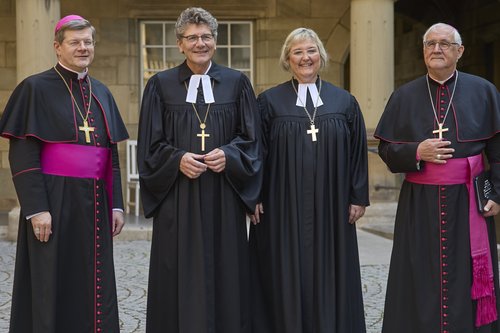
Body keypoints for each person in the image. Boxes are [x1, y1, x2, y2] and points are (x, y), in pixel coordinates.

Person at [0, 15, 129, 332]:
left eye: (88, 42)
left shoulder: (101, 91)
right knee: (52, 278)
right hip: (54, 202)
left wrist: (116, 204)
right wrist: (36, 208)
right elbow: (23, 154)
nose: (83, 48)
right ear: (58, 47)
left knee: (93, 278)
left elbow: (109, 154)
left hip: (96, 204)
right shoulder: (34, 88)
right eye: (75, 42)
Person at [137, 7, 261, 333]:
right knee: (177, 268)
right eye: (192, 37)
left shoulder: (236, 83)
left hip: (223, 196)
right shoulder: (160, 86)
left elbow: (252, 140)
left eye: (206, 36)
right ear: (179, 44)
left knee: (226, 268)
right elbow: (150, 145)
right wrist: (176, 159)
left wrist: (230, 155)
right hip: (179, 196)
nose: (200, 43)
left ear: (215, 41)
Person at [375, 22, 500, 332]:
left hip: (468, 201)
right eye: (430, 44)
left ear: (459, 51)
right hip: (419, 205)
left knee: (468, 273)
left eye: (444, 43)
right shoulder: (404, 96)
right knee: (419, 273)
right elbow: (387, 150)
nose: (437, 49)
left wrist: (496, 191)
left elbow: (497, 149)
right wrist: (417, 151)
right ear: (423, 51)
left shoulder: (483, 91)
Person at [250, 27, 370, 333]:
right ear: (287, 59)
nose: (306, 58)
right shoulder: (269, 102)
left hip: (332, 205)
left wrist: (357, 196)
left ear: (321, 56)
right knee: (283, 268)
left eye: (311, 50)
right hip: (280, 205)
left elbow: (358, 151)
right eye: (298, 52)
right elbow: (256, 152)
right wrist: (254, 196)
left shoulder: (344, 102)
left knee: (329, 268)